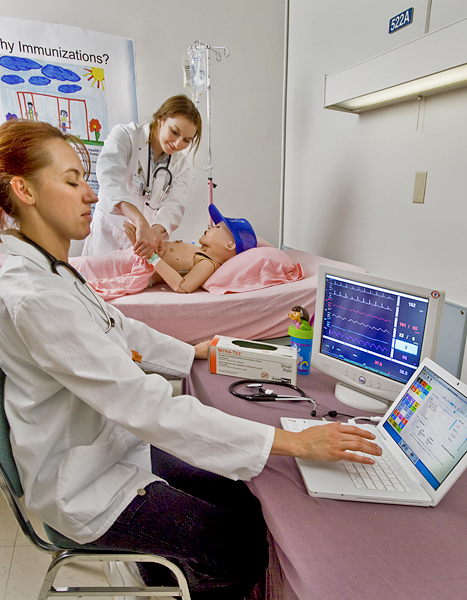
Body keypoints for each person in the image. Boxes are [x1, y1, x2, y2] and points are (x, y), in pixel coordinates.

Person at [0, 119, 382, 600]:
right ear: (24, 190)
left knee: (246, 499)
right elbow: (148, 407)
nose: (91, 196)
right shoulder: (34, 295)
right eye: (73, 181)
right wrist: (296, 443)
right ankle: (182, 578)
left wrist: (191, 351)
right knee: (238, 547)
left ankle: (171, 579)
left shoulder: (56, 273)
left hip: (109, 449)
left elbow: (121, 331)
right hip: (82, 485)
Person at [82, 94, 202, 258]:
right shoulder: (126, 136)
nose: (178, 144)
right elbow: (110, 179)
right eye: (174, 132)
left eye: (187, 140)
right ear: (161, 119)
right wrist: (140, 221)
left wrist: (156, 231)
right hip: (108, 235)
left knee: (136, 280)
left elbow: (174, 205)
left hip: (144, 244)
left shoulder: (181, 165)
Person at [72, 203, 257, 298]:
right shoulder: (198, 251)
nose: (210, 227)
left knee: (81, 269)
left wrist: (150, 256)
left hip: (135, 266)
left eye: (217, 228)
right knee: (81, 266)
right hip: (132, 259)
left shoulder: (207, 263)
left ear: (230, 245)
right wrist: (141, 243)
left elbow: (183, 287)